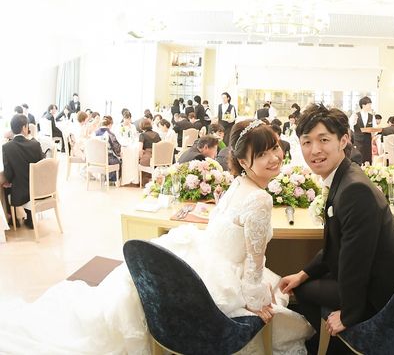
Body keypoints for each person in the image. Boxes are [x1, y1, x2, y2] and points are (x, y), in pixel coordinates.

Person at [0, 119, 313, 354]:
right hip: (225, 273)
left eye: (275, 148)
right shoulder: (260, 198)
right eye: (263, 153)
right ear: (243, 161)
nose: (275, 157)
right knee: (275, 298)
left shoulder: (238, 184)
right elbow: (254, 264)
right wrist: (258, 302)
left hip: (204, 255)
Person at [280, 104, 394, 355]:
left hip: (382, 288)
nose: (315, 150)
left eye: (323, 140)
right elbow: (337, 245)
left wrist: (350, 314)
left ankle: (339, 343)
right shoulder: (343, 176)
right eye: (307, 142)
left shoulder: (354, 189)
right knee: (303, 283)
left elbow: (357, 260)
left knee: (304, 292)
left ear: (343, 140)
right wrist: (302, 273)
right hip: (372, 271)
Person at [2, 114, 45, 228]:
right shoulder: (35, 144)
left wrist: (9, 181)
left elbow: (8, 174)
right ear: (24, 128)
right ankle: (30, 218)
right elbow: (42, 166)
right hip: (37, 190)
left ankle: (12, 220)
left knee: (5, 185)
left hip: (20, 193)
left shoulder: (7, 147)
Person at [94, 115, 123, 182]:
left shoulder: (94, 133)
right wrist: (120, 155)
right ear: (110, 125)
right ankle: (111, 179)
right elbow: (116, 148)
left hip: (95, 159)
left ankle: (103, 177)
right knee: (119, 161)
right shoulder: (110, 134)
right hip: (107, 159)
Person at [350, 96, 375, 164]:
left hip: (368, 140)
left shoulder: (371, 116)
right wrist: (354, 121)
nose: (370, 106)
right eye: (369, 104)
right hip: (358, 140)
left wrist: (373, 133)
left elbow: (374, 128)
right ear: (363, 105)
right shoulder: (355, 115)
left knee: (367, 157)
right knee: (358, 156)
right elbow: (351, 127)